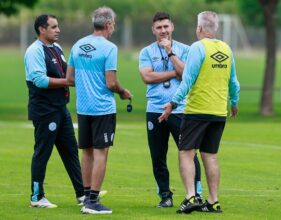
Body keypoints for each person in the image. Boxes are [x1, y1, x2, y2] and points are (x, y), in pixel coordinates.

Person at [159, 11, 240, 214]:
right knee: (210, 155)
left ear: (200, 28)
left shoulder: (198, 47)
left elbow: (187, 80)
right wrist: (234, 102)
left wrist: (173, 103)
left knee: (186, 152)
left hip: (197, 111)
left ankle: (190, 196)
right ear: (216, 29)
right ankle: (213, 201)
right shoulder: (226, 49)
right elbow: (234, 82)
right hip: (219, 112)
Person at [66, 7, 132, 214]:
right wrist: (123, 92)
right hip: (102, 108)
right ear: (109, 24)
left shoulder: (78, 45)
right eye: (114, 24)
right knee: (101, 153)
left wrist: (87, 83)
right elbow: (111, 83)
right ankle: (93, 202)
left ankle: (86, 196)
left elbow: (70, 79)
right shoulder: (109, 48)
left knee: (86, 152)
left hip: (83, 107)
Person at [138, 12, 203, 208]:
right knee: (158, 155)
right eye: (159, 27)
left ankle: (196, 194)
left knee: (189, 152)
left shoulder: (186, 49)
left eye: (166, 26)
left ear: (172, 27)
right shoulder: (146, 52)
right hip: (155, 109)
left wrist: (170, 52)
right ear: (153, 30)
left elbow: (186, 75)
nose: (163, 31)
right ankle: (165, 195)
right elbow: (147, 77)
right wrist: (174, 73)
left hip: (181, 109)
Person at [24, 14, 86, 208]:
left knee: (70, 151)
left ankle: (82, 194)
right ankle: (37, 197)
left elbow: (67, 71)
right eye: (54, 27)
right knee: (42, 152)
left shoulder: (56, 48)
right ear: (42, 29)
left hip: (60, 108)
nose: (58, 30)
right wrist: (68, 82)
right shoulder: (34, 51)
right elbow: (40, 80)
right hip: (44, 110)